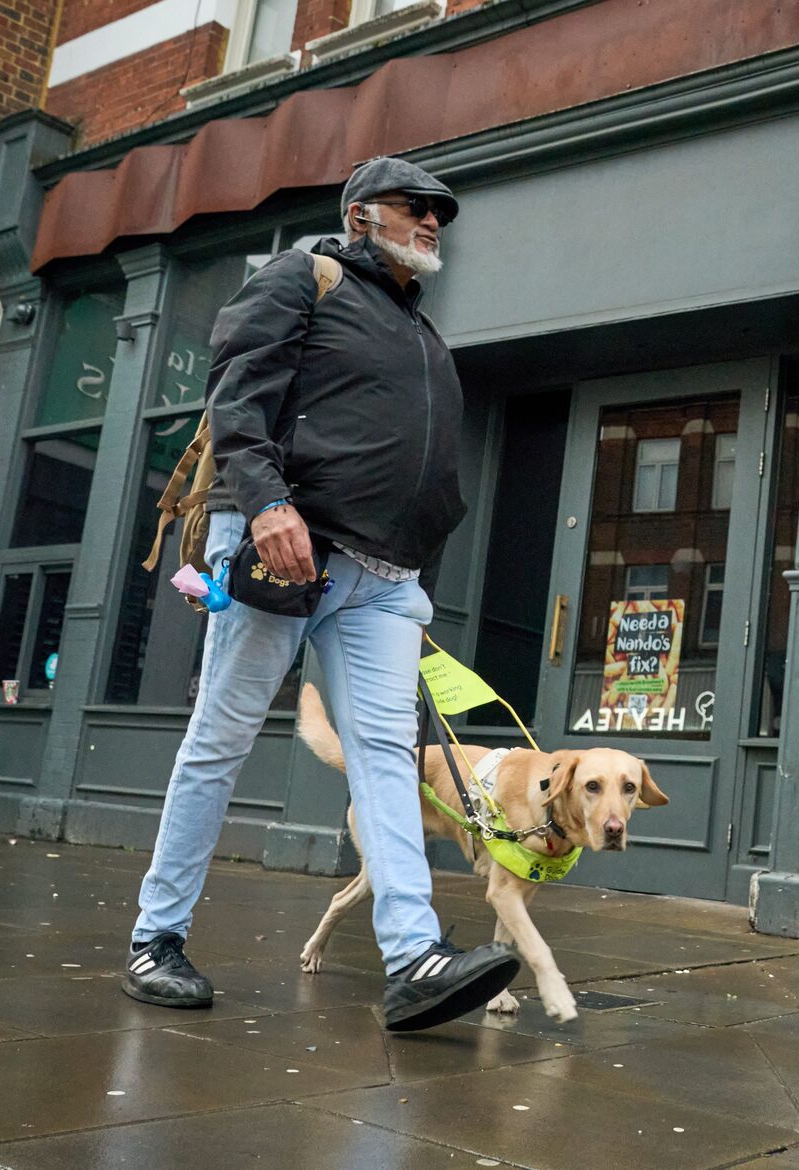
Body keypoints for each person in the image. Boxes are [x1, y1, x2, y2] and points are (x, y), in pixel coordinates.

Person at [122, 158, 522, 1032]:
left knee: (386, 755)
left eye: (439, 215)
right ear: (360, 213)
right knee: (220, 740)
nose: (431, 223)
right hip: (286, 546)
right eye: (415, 208)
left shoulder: (420, 330)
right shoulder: (307, 274)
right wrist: (264, 502)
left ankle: (414, 957)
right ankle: (156, 937)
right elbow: (238, 394)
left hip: (383, 576)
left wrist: (420, 556)